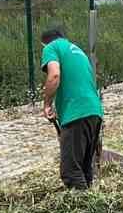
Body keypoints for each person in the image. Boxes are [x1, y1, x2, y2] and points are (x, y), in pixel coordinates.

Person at [39, 28, 104, 190]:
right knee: (84, 169)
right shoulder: (77, 51)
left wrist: (47, 103)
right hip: (94, 112)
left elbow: (54, 76)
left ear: (44, 43)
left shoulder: (51, 48)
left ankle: (85, 211)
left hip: (76, 114)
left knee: (71, 172)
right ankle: (92, 204)